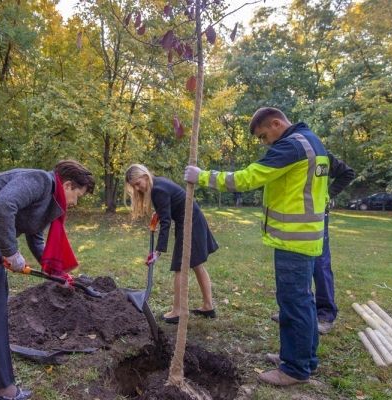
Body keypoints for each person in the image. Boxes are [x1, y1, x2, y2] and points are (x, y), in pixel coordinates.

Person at [184, 107, 329, 386]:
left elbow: (246, 179)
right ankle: (303, 358)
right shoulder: (311, 140)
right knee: (303, 301)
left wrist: (201, 175)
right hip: (307, 235)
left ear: (277, 124)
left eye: (264, 136)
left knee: (294, 303)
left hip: (294, 237)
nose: (265, 143)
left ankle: (295, 369)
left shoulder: (291, 146)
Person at [0, 160, 95, 400]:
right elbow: (3, 206)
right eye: (78, 195)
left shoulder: (48, 198)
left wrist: (57, 274)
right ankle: (1, 389)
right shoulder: (39, 180)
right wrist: (11, 251)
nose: (75, 203)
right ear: (67, 185)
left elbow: (36, 238)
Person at [271, 153, 355, 334]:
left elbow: (347, 173)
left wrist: (327, 194)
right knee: (298, 266)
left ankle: (325, 314)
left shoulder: (321, 155)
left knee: (320, 263)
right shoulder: (288, 153)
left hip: (316, 217)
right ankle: (294, 312)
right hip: (295, 219)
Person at [124, 164, 218, 323]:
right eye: (134, 186)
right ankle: (208, 306)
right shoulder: (158, 184)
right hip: (191, 220)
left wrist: (158, 252)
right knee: (196, 265)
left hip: (190, 223)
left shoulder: (158, 189)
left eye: (138, 183)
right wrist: (159, 214)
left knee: (180, 267)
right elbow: (167, 210)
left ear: (145, 177)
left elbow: (166, 222)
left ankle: (178, 311)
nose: (138, 189)